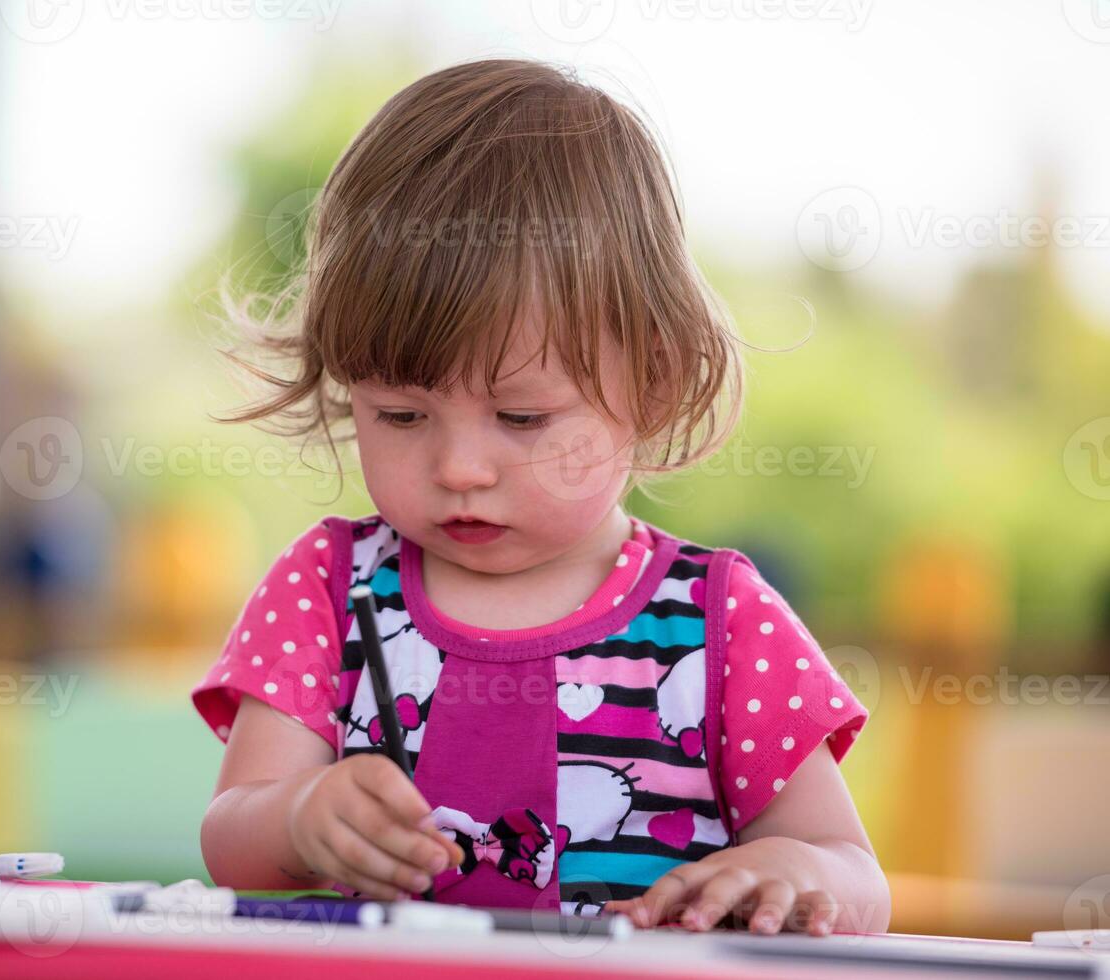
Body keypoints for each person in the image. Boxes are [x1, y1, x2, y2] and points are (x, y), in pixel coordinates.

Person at [192, 57, 888, 935]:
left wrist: (785, 871)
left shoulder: (716, 622)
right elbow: (232, 836)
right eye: (400, 414)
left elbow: (853, 873)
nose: (460, 468)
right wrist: (297, 817)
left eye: (521, 417)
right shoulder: (329, 588)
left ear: (656, 383)